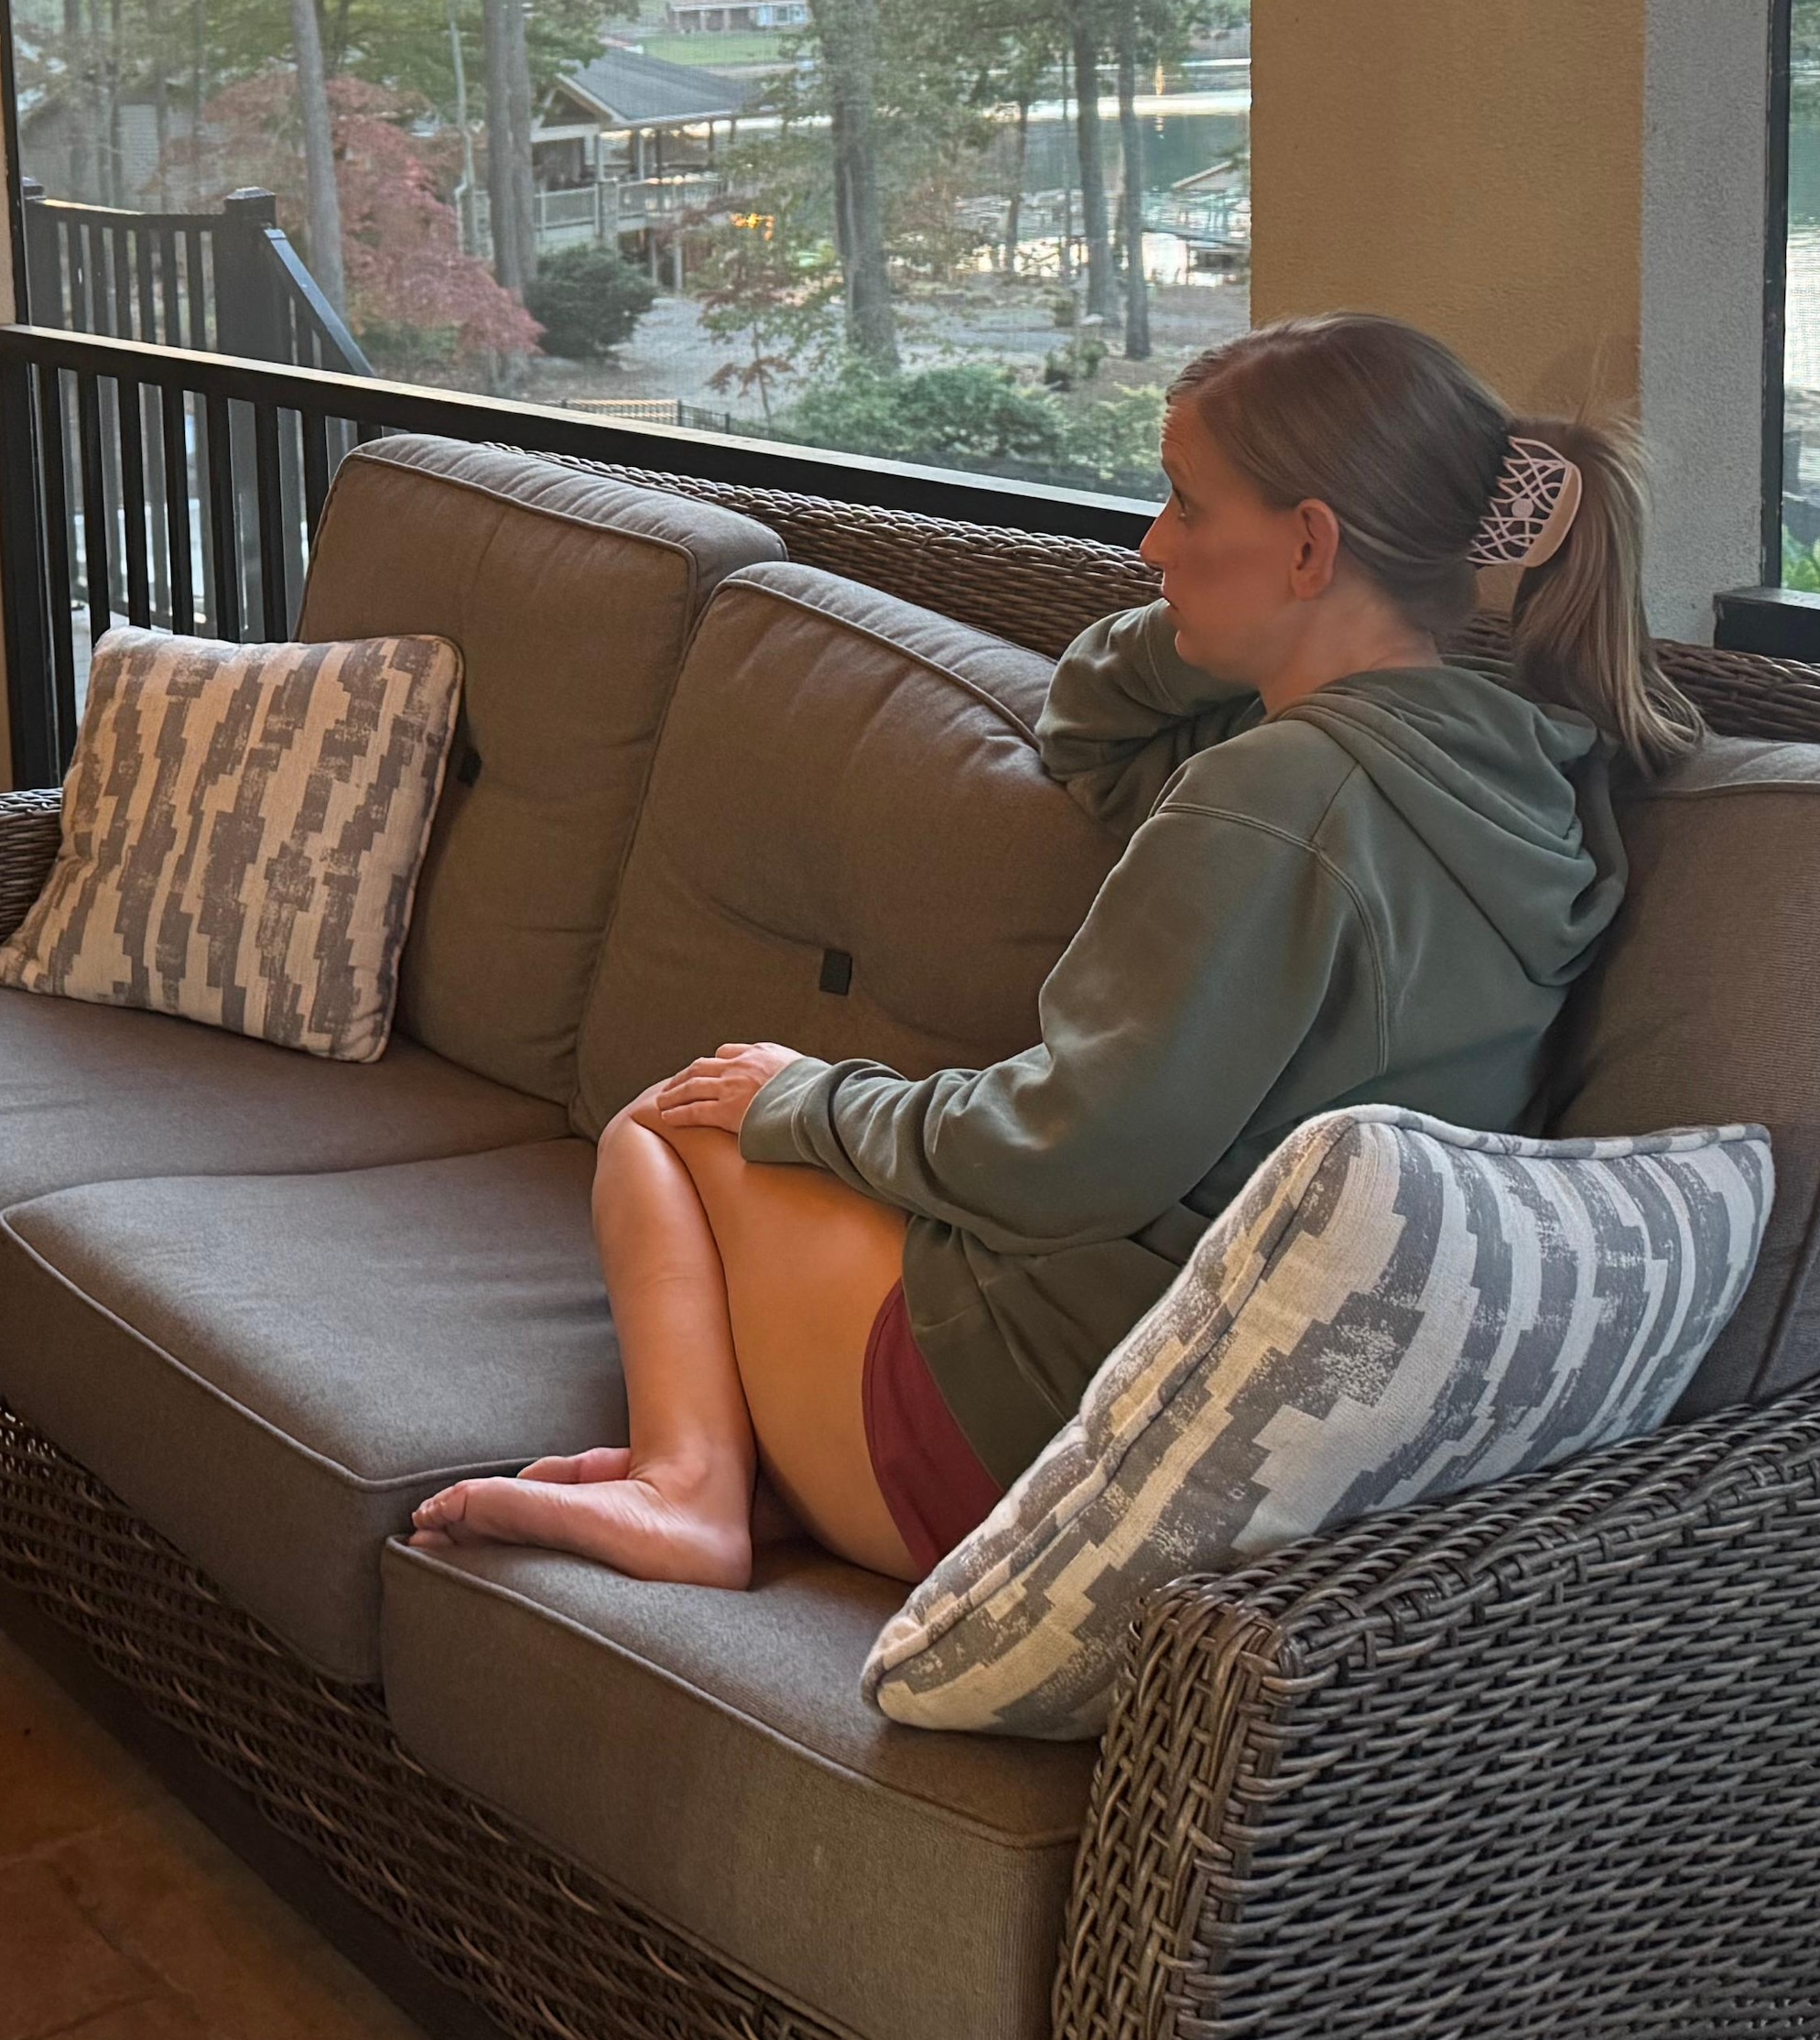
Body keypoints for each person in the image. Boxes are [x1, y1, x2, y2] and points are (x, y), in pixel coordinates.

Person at [410, 309, 1699, 1590]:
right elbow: (1090, 725)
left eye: (1186, 506)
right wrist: (1260, 627)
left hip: (1043, 1423)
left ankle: (688, 1487)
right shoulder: (1513, 776)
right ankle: (753, 1462)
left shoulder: (1272, 799)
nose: (1151, 545)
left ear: (1310, 543)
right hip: (1236, 1406)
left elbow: (1068, 1153)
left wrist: (809, 1097)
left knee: (673, 1118)